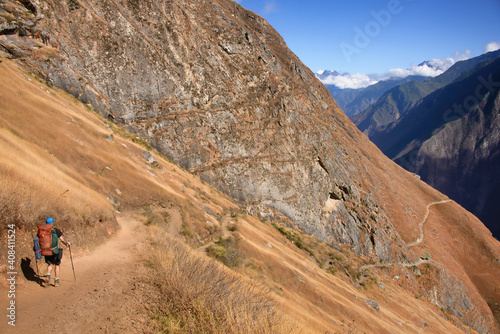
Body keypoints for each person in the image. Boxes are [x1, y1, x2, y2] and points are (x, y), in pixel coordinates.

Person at [42, 217, 70, 287]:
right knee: (57, 265)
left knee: (50, 264)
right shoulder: (56, 230)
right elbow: (61, 239)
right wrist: (67, 243)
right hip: (55, 250)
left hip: (47, 250)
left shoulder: (43, 231)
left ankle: (48, 275)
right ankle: (56, 281)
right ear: (52, 223)